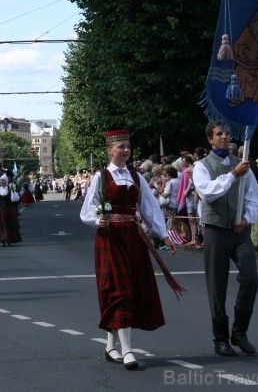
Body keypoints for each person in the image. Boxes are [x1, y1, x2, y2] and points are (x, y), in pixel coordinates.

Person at [80, 129, 182, 371]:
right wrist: (98, 220)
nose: (126, 150)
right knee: (118, 290)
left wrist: (164, 235)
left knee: (128, 289)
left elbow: (149, 207)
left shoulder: (135, 177)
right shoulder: (101, 177)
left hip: (133, 237)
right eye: (121, 146)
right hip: (110, 237)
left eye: (128, 146)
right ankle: (127, 350)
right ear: (110, 150)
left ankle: (110, 346)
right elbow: (88, 209)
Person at [192, 122, 258, 356]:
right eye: (219, 134)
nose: (225, 137)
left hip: (239, 231)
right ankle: (220, 338)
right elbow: (208, 192)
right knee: (217, 285)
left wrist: (248, 219)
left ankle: (240, 331)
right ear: (210, 140)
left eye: (227, 133)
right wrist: (232, 175)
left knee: (251, 278)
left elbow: (254, 197)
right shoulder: (201, 166)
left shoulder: (242, 166)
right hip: (215, 229)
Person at [0, 174, 22, 247]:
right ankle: (3, 240)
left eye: (3, 180)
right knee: (1, 225)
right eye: (0, 181)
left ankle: (9, 239)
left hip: (9, 209)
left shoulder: (10, 189)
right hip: (0, 210)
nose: (1, 182)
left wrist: (13, 191)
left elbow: (15, 199)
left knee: (9, 224)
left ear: (6, 181)